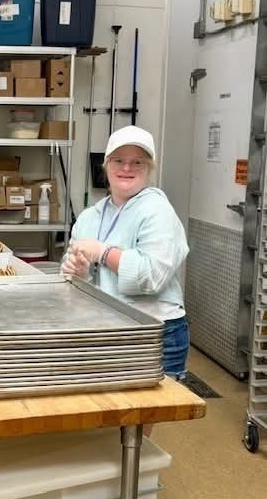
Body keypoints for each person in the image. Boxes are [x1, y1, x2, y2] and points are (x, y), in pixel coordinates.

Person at [62, 125, 189, 381]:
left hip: (155, 330)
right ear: (106, 165)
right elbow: (75, 280)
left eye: (137, 162)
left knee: (145, 413)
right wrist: (78, 272)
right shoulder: (89, 217)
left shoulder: (158, 211)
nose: (126, 169)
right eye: (119, 160)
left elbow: (152, 276)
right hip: (104, 328)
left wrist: (104, 252)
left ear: (149, 169)